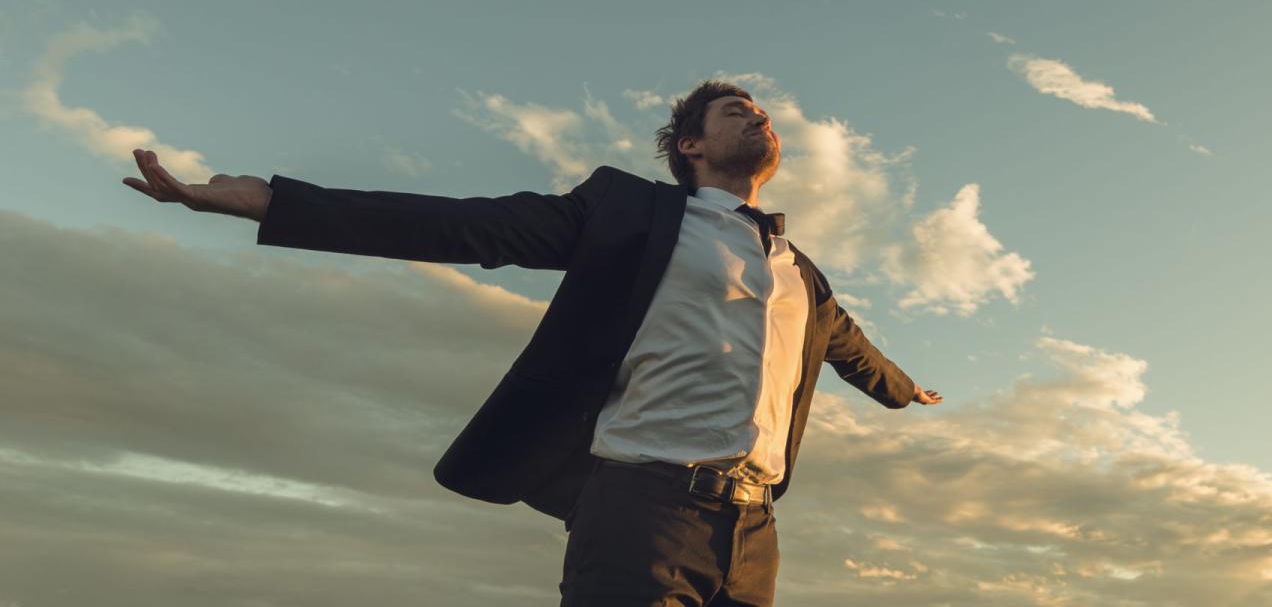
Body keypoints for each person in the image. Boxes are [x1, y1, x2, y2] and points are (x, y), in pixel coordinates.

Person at [122, 79, 941, 607]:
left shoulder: (801, 272)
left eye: (762, 113)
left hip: (755, 533)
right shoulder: (628, 211)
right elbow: (467, 223)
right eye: (736, 111)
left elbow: (856, 354)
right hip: (641, 510)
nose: (756, 115)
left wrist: (911, 393)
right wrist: (275, 202)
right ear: (690, 146)